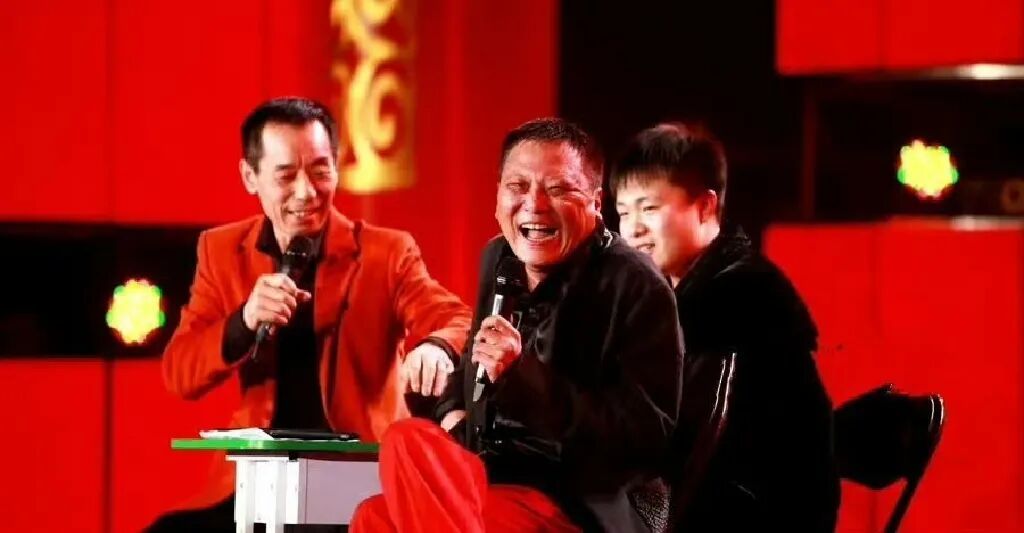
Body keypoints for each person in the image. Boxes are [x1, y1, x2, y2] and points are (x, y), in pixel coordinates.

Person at [147, 97, 472, 532]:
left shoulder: (386, 253)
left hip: (355, 475)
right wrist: (244, 321)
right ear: (250, 177)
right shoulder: (222, 250)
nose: (306, 192)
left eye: (320, 171)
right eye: (286, 175)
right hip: (261, 479)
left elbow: (457, 320)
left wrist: (436, 348)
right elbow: (180, 372)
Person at [349, 117, 684, 533]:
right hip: (492, 480)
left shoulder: (634, 283)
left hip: (582, 501)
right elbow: (472, 366)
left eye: (557, 189)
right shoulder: (499, 259)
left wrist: (523, 377)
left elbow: (645, 440)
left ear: (596, 203)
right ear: (497, 198)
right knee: (391, 474)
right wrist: (452, 410)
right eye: (517, 186)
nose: (534, 205)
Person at [612, 123, 839, 532]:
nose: (633, 228)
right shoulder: (689, 292)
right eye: (624, 212)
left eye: (649, 208)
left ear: (705, 207)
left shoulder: (739, 295)